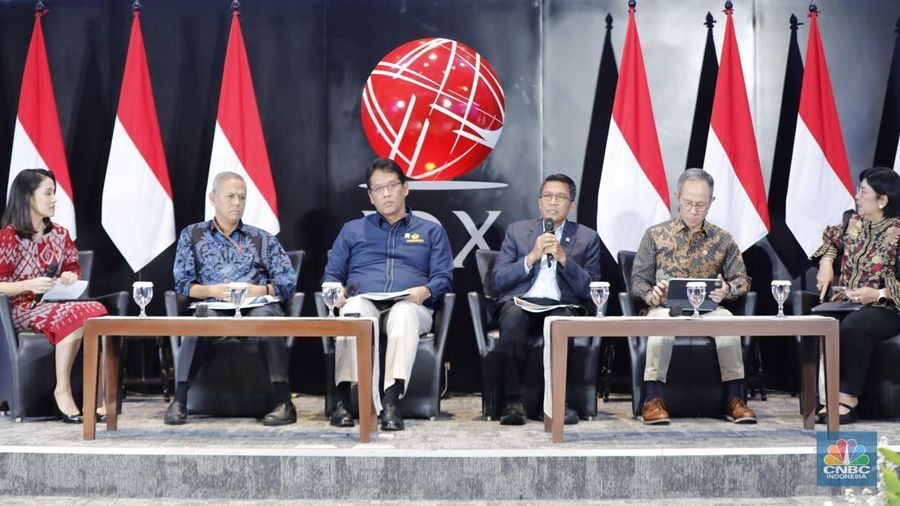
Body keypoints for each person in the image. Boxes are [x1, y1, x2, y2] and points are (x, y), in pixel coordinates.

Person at [323, 158, 453, 431]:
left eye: (391, 186)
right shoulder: (352, 230)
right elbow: (331, 275)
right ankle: (343, 401)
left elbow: (444, 277)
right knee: (353, 310)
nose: (386, 194)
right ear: (371, 196)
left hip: (411, 305)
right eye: (378, 189)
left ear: (405, 188)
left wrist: (425, 291)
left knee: (403, 314)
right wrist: (337, 291)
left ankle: (391, 403)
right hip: (366, 301)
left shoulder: (431, 231)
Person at [166, 171, 297, 426]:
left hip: (255, 305)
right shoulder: (192, 235)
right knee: (200, 322)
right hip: (214, 302)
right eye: (230, 196)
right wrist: (212, 291)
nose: (237, 202)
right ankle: (180, 399)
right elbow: (183, 283)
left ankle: (284, 402)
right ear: (213, 198)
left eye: (242, 197)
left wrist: (261, 291)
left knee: (268, 321)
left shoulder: (262, 238)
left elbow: (287, 281)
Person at [631, 168, 756, 425]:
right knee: (661, 326)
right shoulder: (655, 235)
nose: (693, 210)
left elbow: (742, 280)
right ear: (678, 197)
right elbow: (637, 281)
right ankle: (652, 400)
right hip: (666, 308)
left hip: (710, 308)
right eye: (688, 203)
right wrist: (653, 295)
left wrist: (727, 289)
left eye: (701, 204)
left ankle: (735, 399)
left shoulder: (723, 239)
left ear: (711, 202)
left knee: (729, 325)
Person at [489, 174, 601, 426]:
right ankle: (513, 402)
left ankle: (555, 403)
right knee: (512, 319)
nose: (553, 202)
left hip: (561, 305)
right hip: (522, 302)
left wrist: (563, 258)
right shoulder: (517, 232)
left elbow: (590, 289)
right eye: (548, 196)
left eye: (560, 197)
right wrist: (531, 256)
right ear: (539, 202)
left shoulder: (587, 237)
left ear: (571, 205)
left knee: (560, 324)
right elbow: (497, 281)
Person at [0, 169, 107, 423]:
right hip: (22, 308)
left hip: (55, 304)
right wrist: (29, 284)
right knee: (79, 313)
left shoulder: (60, 234)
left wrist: (69, 275)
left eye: (54, 193)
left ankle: (99, 396)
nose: (54, 199)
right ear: (28, 197)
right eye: (48, 193)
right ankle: (62, 390)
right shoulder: (9, 237)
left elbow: (73, 267)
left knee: (99, 311)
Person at [812, 167, 900, 424]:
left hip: (888, 307)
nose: (857, 197)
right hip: (847, 302)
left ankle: (847, 399)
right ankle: (824, 397)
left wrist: (878, 294)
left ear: (882, 200)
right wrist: (826, 262)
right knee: (817, 321)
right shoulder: (853, 222)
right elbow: (831, 240)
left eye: (863, 192)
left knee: (856, 325)